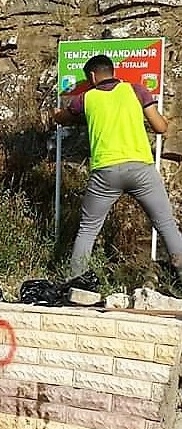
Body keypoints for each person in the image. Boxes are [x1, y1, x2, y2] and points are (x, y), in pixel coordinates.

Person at [54, 54, 182, 279]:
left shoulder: (85, 98)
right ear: (113, 72)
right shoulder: (136, 90)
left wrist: (57, 115)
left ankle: (75, 281)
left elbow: (62, 118)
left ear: (92, 76)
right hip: (140, 168)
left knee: (88, 230)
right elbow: (160, 127)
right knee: (166, 225)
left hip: (106, 172)